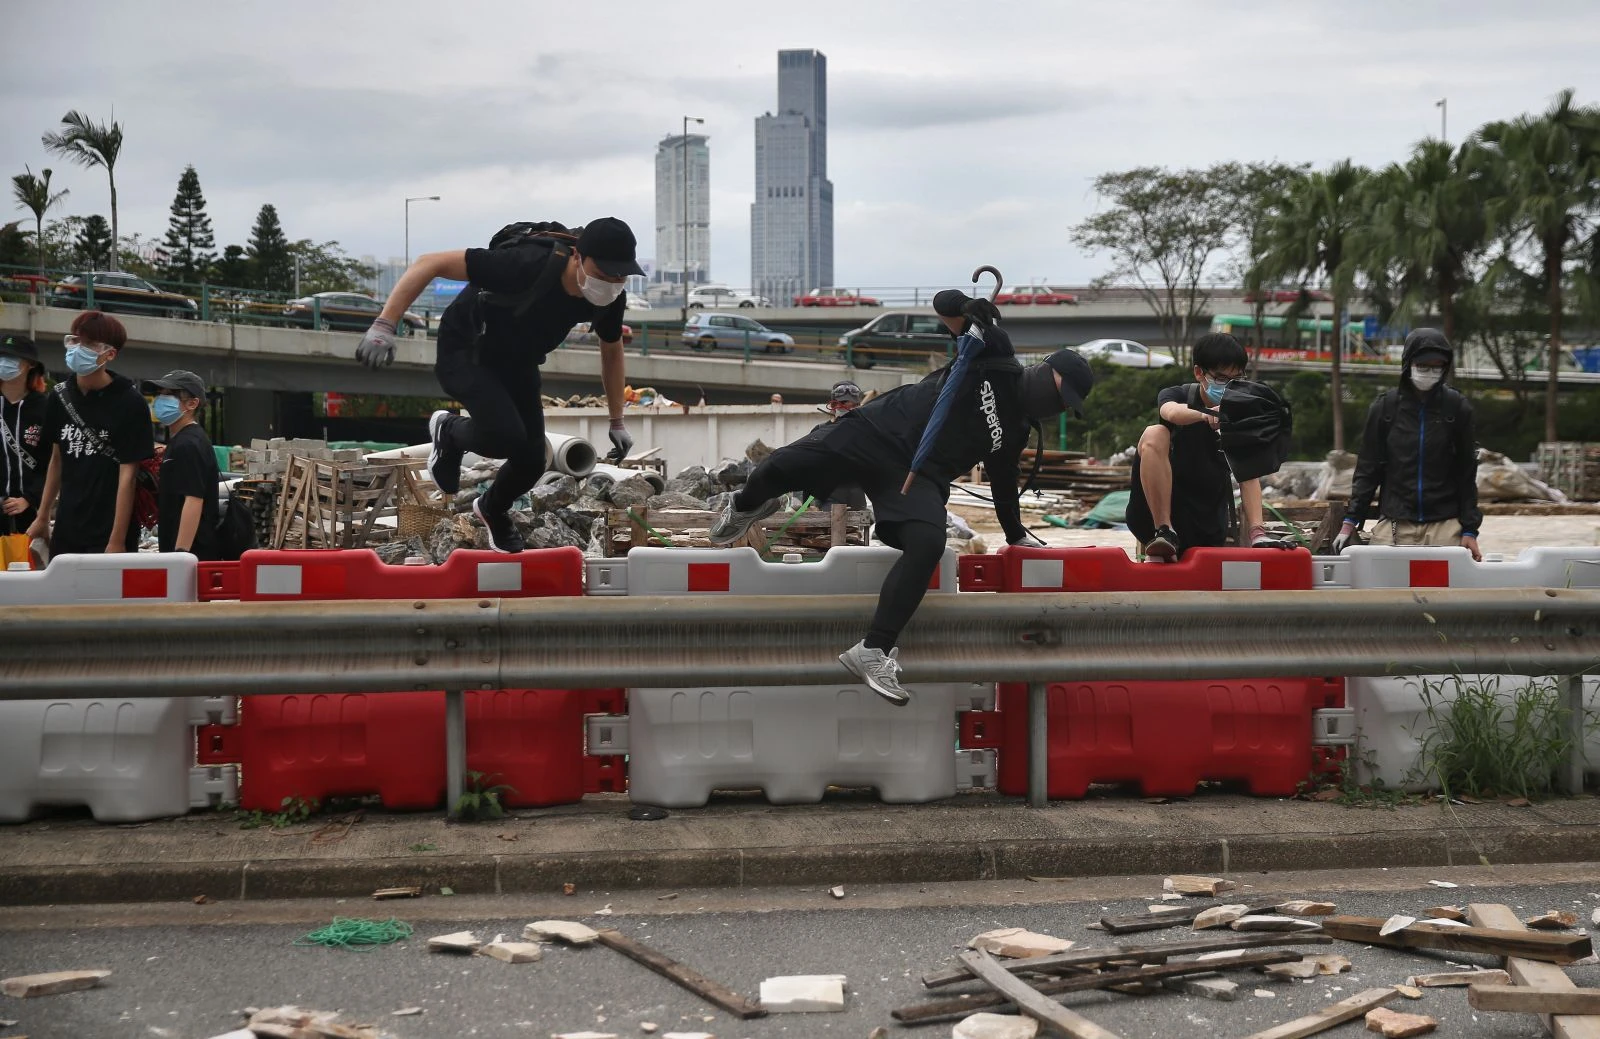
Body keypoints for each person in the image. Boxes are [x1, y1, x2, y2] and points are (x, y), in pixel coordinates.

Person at [709, 288, 1094, 705]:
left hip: (916, 474)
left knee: (928, 542)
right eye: (1061, 394)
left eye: (1065, 405)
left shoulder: (1015, 433)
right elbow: (945, 305)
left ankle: (873, 651)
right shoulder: (995, 356)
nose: (1057, 406)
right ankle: (747, 506)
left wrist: (1016, 534)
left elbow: (1003, 484)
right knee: (776, 468)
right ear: (1046, 370)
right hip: (875, 431)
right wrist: (967, 307)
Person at [356, 218, 641, 554]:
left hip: (518, 360)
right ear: (578, 256)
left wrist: (617, 420)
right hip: (467, 351)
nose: (610, 283)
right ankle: (448, 431)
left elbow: (612, 352)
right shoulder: (524, 264)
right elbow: (429, 263)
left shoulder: (609, 298)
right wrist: (385, 324)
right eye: (603, 273)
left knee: (533, 459)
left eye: (620, 277)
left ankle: (492, 508)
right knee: (505, 436)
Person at [1125, 332, 1279, 560]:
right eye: (1221, 379)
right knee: (1154, 433)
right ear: (1199, 373)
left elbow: (1249, 475)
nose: (1229, 387)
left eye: (1237, 379)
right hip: (1152, 519)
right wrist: (1205, 414)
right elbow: (1170, 412)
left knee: (1246, 446)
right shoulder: (1176, 395)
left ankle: (1257, 533)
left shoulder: (1242, 410)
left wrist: (1257, 533)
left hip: (1205, 526)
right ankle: (1164, 531)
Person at [1335, 328, 1481, 560]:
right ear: (1408, 364)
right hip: (1395, 522)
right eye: (1423, 366)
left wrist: (1470, 529)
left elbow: (1467, 472)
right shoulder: (1385, 408)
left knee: (1446, 582)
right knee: (1380, 579)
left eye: (1437, 367)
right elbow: (1368, 469)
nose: (1429, 372)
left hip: (1445, 525)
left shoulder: (1457, 408)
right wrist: (1351, 520)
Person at [27, 311, 155, 555]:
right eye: (75, 340)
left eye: (89, 344)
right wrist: (42, 516)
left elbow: (128, 477)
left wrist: (116, 541)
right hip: (67, 527)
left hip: (108, 531)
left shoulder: (130, 402)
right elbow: (57, 460)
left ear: (110, 354)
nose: (78, 348)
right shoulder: (59, 396)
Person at [144, 369, 221, 559]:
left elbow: (193, 500)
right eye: (160, 394)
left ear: (192, 403)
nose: (160, 400)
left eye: (169, 395)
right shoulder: (183, 440)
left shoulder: (189, 444)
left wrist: (181, 555)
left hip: (190, 554)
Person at [0, 333, 49, 539]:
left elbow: (52, 462)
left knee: (25, 559)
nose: (4, 362)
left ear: (30, 364)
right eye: (1, 356)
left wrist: (29, 498)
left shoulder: (45, 407)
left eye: (12, 357)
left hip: (29, 514)